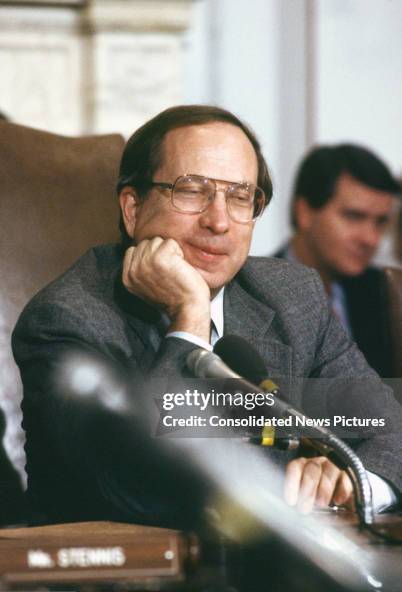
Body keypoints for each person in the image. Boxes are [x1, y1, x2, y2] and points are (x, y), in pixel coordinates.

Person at [12, 106, 401, 527]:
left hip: (268, 576)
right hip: (124, 582)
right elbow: (139, 491)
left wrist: (353, 482)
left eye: (239, 197)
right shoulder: (67, 320)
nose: (218, 221)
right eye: (192, 191)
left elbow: (388, 428)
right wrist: (190, 321)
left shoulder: (291, 298)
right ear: (133, 208)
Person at [276, 144, 401, 376]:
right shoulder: (250, 290)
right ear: (304, 212)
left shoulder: (384, 292)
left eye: (381, 221)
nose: (371, 239)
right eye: (354, 216)